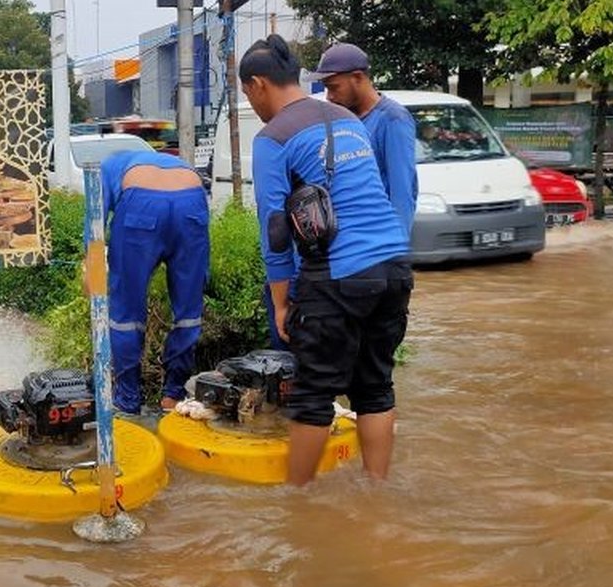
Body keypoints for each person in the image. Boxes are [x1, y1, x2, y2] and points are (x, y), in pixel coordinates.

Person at [240, 35, 413, 484]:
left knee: (312, 395)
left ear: (258, 84)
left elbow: (275, 231)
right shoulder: (350, 119)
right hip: (394, 266)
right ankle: (377, 491)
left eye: (246, 93)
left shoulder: (272, 138)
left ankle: (298, 506)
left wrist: (281, 302)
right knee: (375, 387)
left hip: (339, 275)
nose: (251, 102)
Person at [83, 149, 210, 415]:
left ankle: (128, 400)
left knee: (126, 314)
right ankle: (172, 395)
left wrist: (91, 270)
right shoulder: (175, 163)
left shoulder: (108, 165)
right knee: (188, 312)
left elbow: (95, 221)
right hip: (191, 201)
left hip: (140, 205)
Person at [307, 42, 418, 236]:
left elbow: (402, 193)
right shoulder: (342, 119)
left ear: (357, 77)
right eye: (326, 89)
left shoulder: (392, 119)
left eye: (334, 88)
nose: (329, 97)